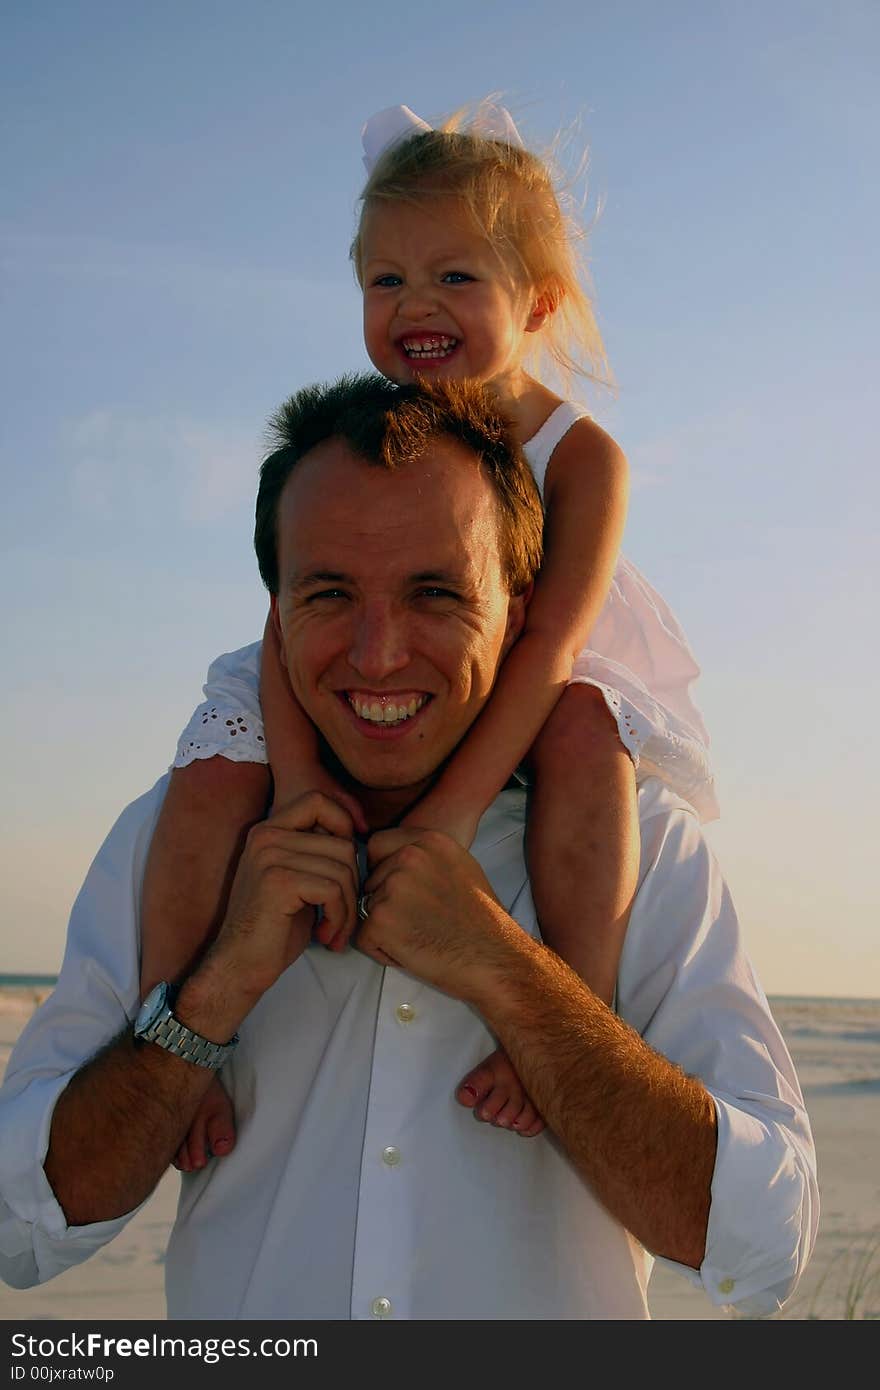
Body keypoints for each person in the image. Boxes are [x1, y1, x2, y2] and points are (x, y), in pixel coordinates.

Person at [0, 375, 817, 1320]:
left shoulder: (642, 847)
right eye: (330, 594)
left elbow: (765, 1250)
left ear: (518, 613)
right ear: (276, 617)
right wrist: (211, 993)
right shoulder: (178, 837)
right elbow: (23, 1229)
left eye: (435, 593)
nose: (379, 653)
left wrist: (511, 975)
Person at [141, 104, 720, 1169]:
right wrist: (295, 781)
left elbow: (548, 644)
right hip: (408, 643)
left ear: (536, 299)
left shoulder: (579, 455)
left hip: (546, 649)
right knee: (215, 755)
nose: (416, 307)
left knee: (589, 730)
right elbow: (291, 612)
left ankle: (569, 1006)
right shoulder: (367, 428)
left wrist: (449, 818)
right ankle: (173, 1033)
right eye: (386, 280)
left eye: (456, 278)